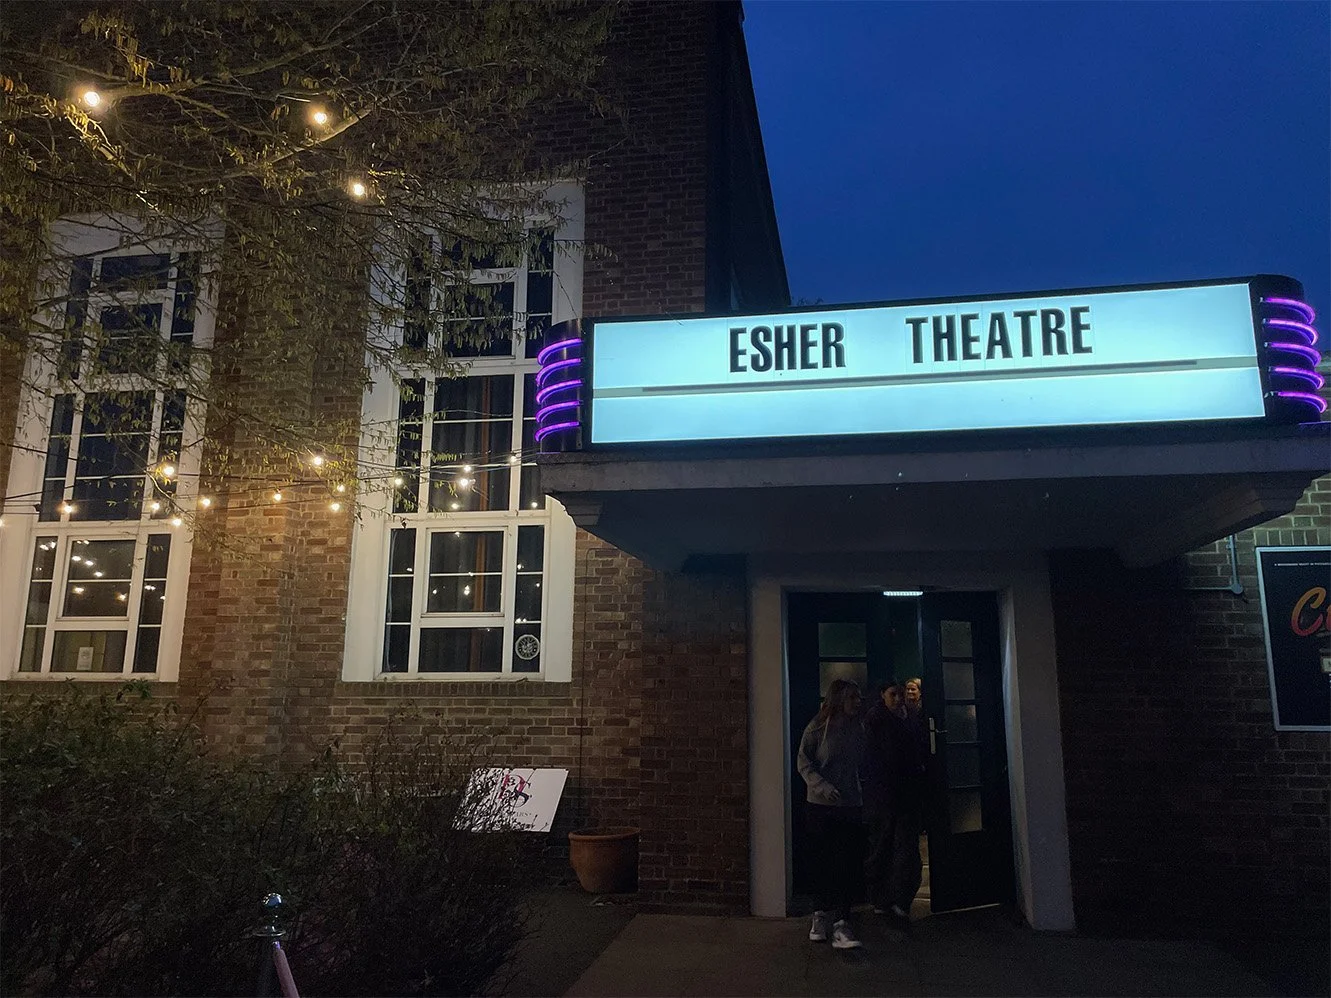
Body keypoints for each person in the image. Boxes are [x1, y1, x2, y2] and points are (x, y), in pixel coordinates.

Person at [796, 678, 866, 950]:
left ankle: (842, 921)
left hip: (850, 805)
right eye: (852, 698)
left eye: (858, 697)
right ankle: (819, 914)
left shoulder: (858, 728)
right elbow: (804, 762)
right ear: (838, 700)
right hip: (821, 807)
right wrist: (822, 787)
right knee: (822, 861)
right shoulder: (817, 728)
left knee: (847, 862)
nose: (857, 702)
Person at [862, 680, 927, 930]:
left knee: (904, 848)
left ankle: (898, 900)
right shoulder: (878, 720)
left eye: (901, 694)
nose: (899, 698)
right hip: (886, 795)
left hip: (901, 794)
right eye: (894, 694)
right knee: (885, 845)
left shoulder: (903, 718)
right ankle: (885, 899)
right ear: (882, 695)